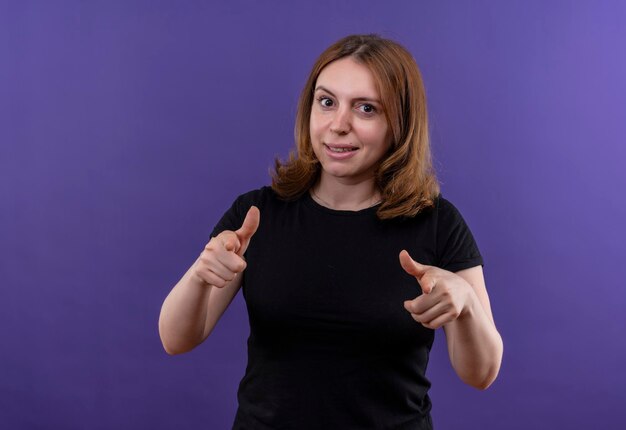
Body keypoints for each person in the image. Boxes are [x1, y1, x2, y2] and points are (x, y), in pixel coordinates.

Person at [158, 34, 503, 430]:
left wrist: (467, 307)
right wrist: (202, 275)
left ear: (400, 124)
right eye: (327, 102)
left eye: (366, 109)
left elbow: (481, 374)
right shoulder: (256, 214)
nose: (339, 125)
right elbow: (175, 338)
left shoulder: (437, 223)